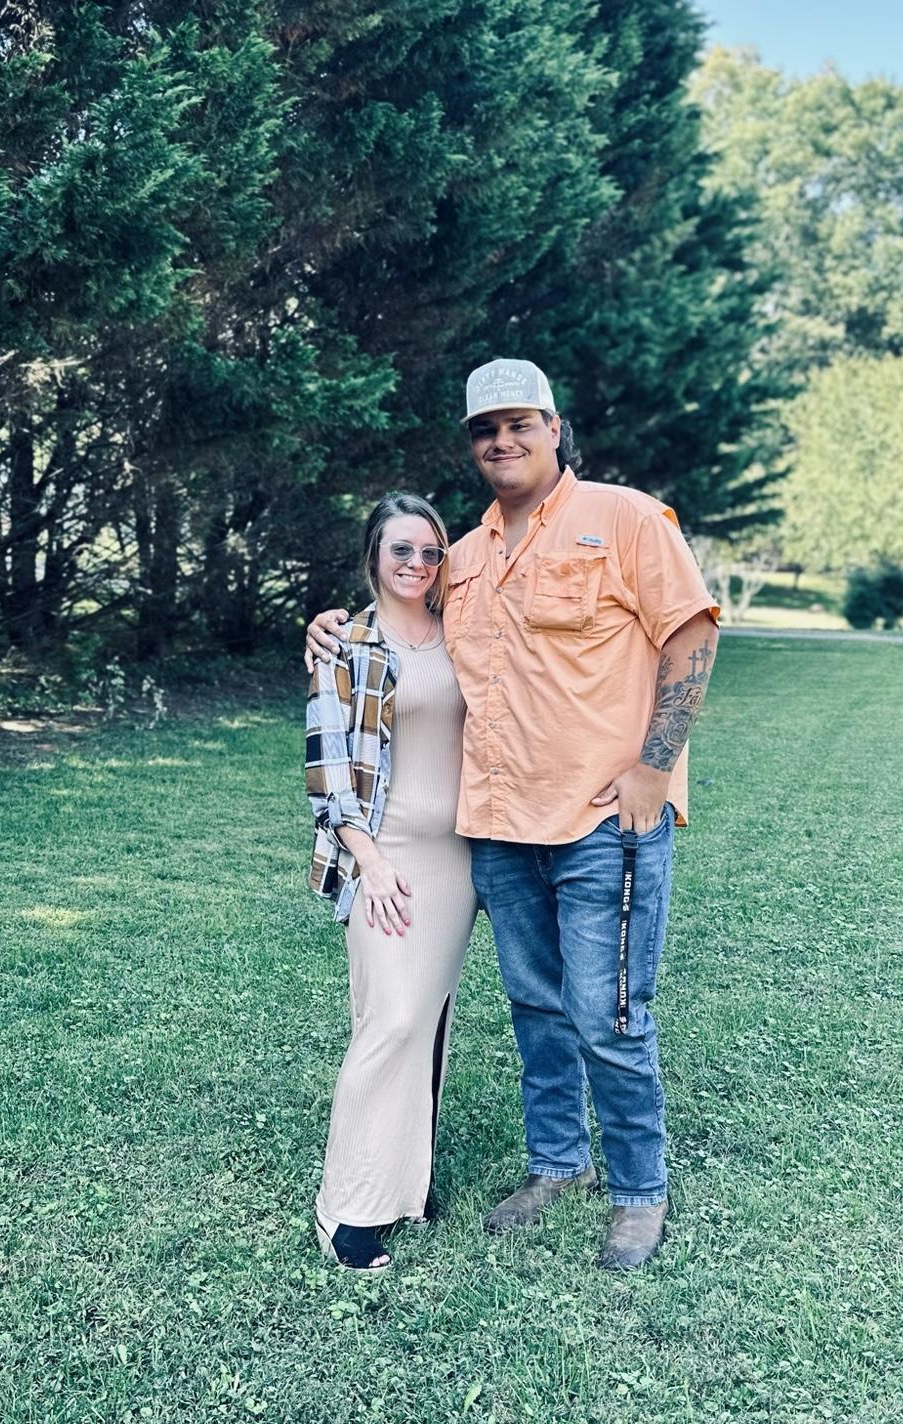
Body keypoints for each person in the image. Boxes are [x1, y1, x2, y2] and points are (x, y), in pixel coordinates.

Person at [307, 359, 718, 1270]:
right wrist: (327, 627)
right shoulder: (463, 557)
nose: (502, 441)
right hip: (495, 827)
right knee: (536, 1007)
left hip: (601, 822)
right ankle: (558, 1164)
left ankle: (639, 1191)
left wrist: (654, 768)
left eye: (520, 423)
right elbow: (397, 621)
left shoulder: (626, 519)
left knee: (608, 1012)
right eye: (485, 430)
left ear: (554, 428)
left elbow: (691, 632)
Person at [305, 492, 477, 1272]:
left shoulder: (463, 633)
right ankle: (345, 1207)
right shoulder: (345, 644)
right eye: (401, 549)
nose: (418, 564)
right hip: (386, 857)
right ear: (374, 554)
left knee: (430, 1022)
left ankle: (406, 1185)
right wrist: (368, 861)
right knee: (391, 1019)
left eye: (431, 551)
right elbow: (328, 770)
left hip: (459, 860)